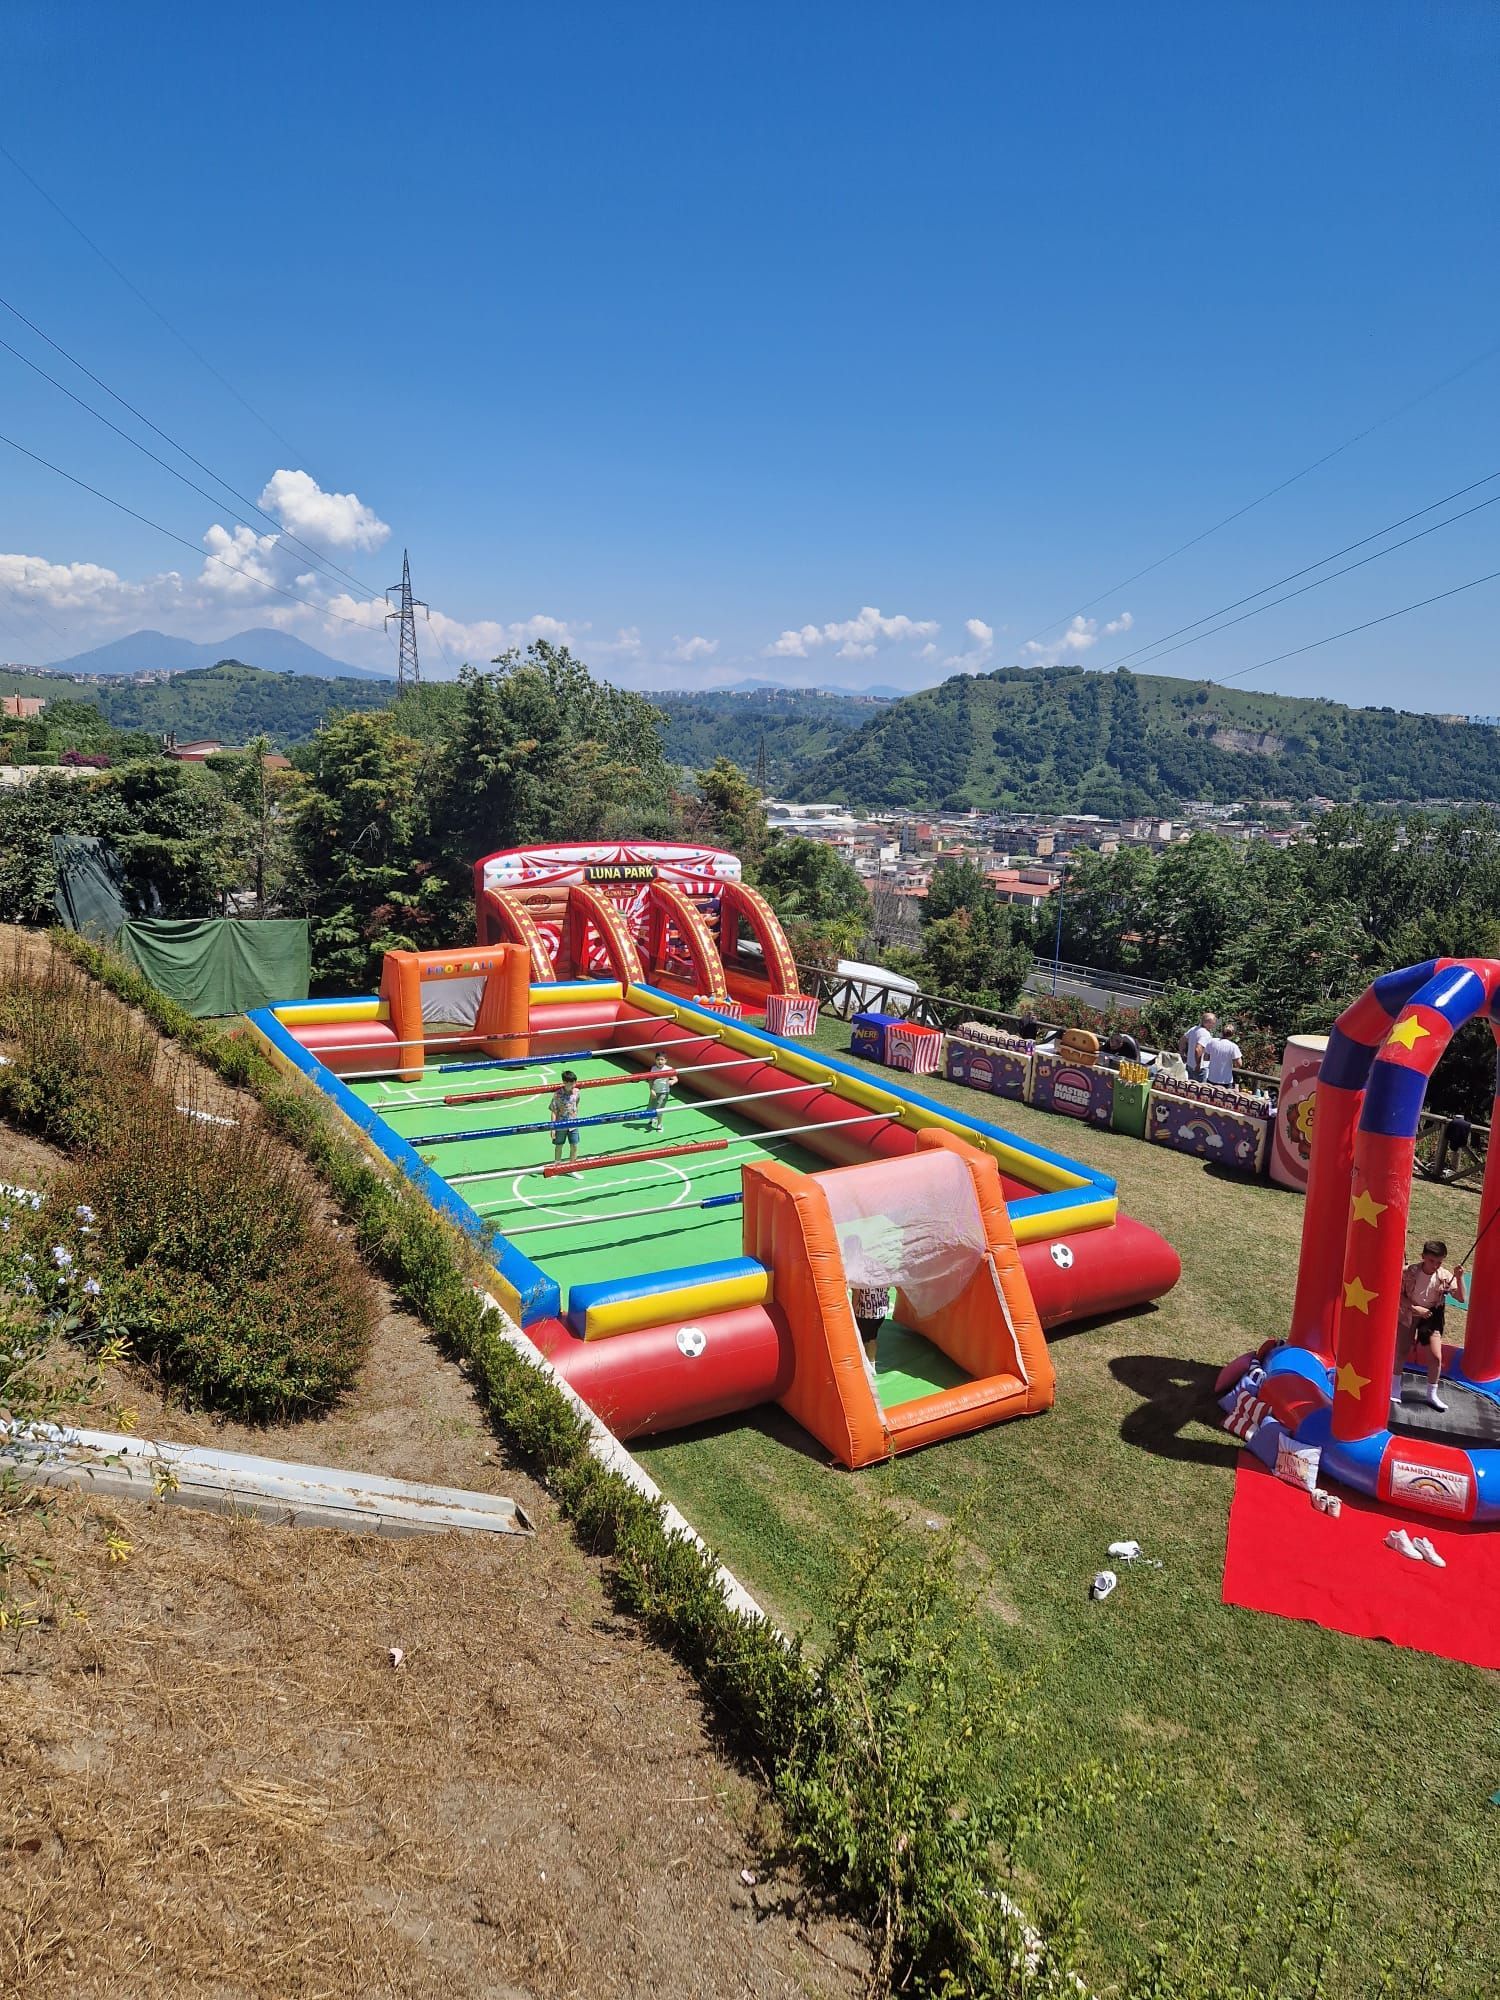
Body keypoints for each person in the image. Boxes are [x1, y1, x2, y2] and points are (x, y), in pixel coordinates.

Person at [1394, 1239, 1465, 1413]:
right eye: (1432, 1261)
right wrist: (1413, 1307)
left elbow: (1461, 1298)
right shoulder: (1409, 1272)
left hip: (1431, 1318)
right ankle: (1394, 1386)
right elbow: (1396, 1293)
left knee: (1435, 1356)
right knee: (1402, 1350)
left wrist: (1460, 1278)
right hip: (1409, 1315)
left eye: (1439, 1262)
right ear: (1423, 1257)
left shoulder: (1445, 1276)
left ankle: (1431, 1394)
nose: (1435, 1265)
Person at [850, 1284, 891, 1370]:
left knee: (864, 1340)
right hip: (881, 1309)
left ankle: (867, 1367)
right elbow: (887, 1287)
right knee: (872, 1337)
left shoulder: (860, 1275)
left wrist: (852, 1311)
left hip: (866, 1312)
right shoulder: (881, 1271)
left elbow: (857, 1292)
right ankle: (871, 1364)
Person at [548, 1070, 582, 1170]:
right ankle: (557, 1167)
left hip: (573, 1124)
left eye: (575, 1082)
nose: (574, 1085)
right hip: (560, 1125)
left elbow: (577, 1104)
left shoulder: (577, 1092)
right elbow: (553, 1111)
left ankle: (572, 1168)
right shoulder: (557, 1094)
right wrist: (552, 1128)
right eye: (571, 1083)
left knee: (574, 1146)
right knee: (559, 1146)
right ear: (565, 1082)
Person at [1203, 1023, 1243, 1088]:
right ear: (1233, 1034)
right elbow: (1239, 1064)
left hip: (1212, 1078)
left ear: (1222, 1032)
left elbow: (1206, 1058)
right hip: (1226, 1080)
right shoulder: (1233, 1047)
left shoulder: (1212, 1042)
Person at [645, 1051, 675, 1133]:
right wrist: (651, 1090)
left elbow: (675, 1078)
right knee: (651, 1107)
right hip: (655, 1091)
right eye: (658, 1059)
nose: (660, 1061)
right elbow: (650, 1080)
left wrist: (672, 1081)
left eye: (662, 1059)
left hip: (664, 1092)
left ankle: (659, 1124)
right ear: (655, 1060)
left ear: (666, 1060)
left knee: (659, 1109)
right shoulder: (653, 1069)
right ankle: (652, 1119)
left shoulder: (669, 1069)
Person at [1181, 1010, 1217, 1077]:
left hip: (1189, 1064)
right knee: (1201, 1086)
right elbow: (1198, 1049)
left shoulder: (1194, 1029)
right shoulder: (1205, 1034)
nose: (1214, 1025)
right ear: (1208, 1023)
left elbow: (1182, 1040)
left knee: (1190, 1086)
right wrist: (1198, 1064)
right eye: (1213, 1023)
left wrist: (1182, 1054)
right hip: (1200, 1067)